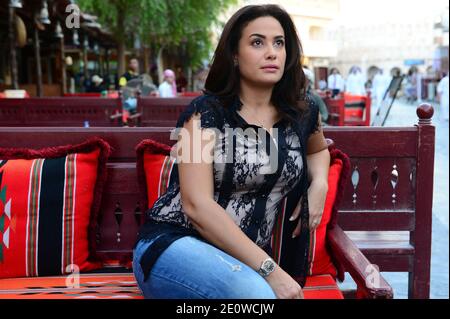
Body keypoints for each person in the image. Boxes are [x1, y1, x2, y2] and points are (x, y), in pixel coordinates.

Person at [133, 5, 330, 299]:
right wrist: (272, 272)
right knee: (258, 297)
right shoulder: (201, 115)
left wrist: (320, 183)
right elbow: (196, 205)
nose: (272, 52)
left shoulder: (302, 113)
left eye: (279, 43)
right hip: (177, 245)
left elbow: (317, 150)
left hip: (241, 261)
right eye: (257, 42)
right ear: (235, 55)